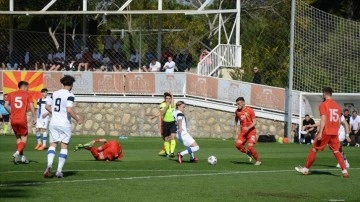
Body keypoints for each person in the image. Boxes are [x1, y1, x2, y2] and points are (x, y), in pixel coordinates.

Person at [295, 87, 350, 178]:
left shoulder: (323, 104)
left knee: (314, 148)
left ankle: (305, 169)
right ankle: (345, 171)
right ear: (331, 94)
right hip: (334, 133)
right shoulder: (337, 106)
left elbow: (324, 118)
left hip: (326, 131)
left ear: (324, 94)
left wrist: (320, 132)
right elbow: (338, 120)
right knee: (336, 151)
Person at [43, 75, 83, 178]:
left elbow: (47, 106)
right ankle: (59, 171)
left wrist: (55, 113)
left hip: (53, 123)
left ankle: (49, 164)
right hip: (64, 124)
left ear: (62, 83)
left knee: (52, 145)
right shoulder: (70, 95)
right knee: (64, 146)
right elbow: (69, 109)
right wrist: (78, 119)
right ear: (71, 85)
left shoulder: (54, 93)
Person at [4, 81, 37, 164]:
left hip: (13, 119)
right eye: (28, 87)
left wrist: (12, 112)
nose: (28, 88)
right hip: (22, 119)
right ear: (25, 87)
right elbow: (32, 106)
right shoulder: (27, 94)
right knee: (24, 137)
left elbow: (5, 105)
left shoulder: (11, 94)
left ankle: (22, 157)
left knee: (19, 138)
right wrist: (34, 117)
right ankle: (17, 153)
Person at [234, 97, 261, 165]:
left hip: (251, 131)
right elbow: (236, 119)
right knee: (237, 145)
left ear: (243, 103)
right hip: (243, 132)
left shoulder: (250, 110)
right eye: (237, 104)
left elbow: (255, 122)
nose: (238, 106)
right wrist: (235, 126)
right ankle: (248, 153)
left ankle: (258, 160)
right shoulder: (237, 111)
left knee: (250, 146)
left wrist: (248, 128)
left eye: (239, 104)